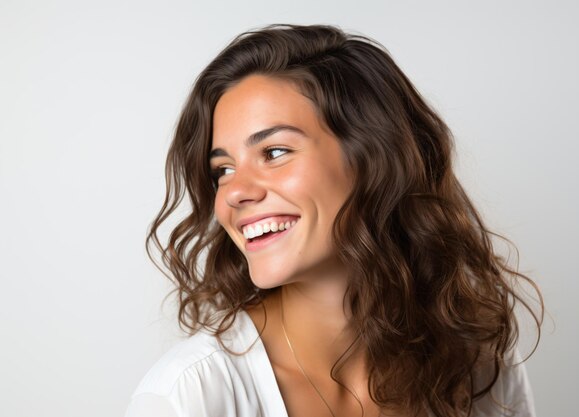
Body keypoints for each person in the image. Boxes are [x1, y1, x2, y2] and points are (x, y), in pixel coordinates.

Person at [125, 24, 543, 417]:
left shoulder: (480, 366)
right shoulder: (190, 395)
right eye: (223, 170)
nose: (235, 193)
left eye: (273, 153)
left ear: (372, 158)